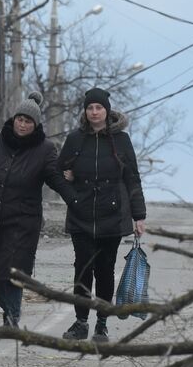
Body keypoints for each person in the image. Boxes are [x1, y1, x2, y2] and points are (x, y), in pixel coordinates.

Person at [0, 92, 75, 328]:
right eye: (20, 119)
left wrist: (74, 193)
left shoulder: (45, 149)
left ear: (36, 125)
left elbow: (54, 178)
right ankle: (10, 310)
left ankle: (12, 316)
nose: (22, 125)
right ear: (14, 119)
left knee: (11, 272)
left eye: (28, 121)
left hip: (22, 221)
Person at [58, 86, 146, 341]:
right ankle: (81, 322)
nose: (94, 112)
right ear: (85, 112)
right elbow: (56, 173)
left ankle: (102, 324)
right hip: (81, 214)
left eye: (98, 108)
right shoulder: (75, 139)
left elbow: (133, 179)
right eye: (90, 108)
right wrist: (71, 191)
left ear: (107, 111)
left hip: (113, 214)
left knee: (105, 269)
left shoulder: (121, 140)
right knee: (82, 267)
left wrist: (139, 216)